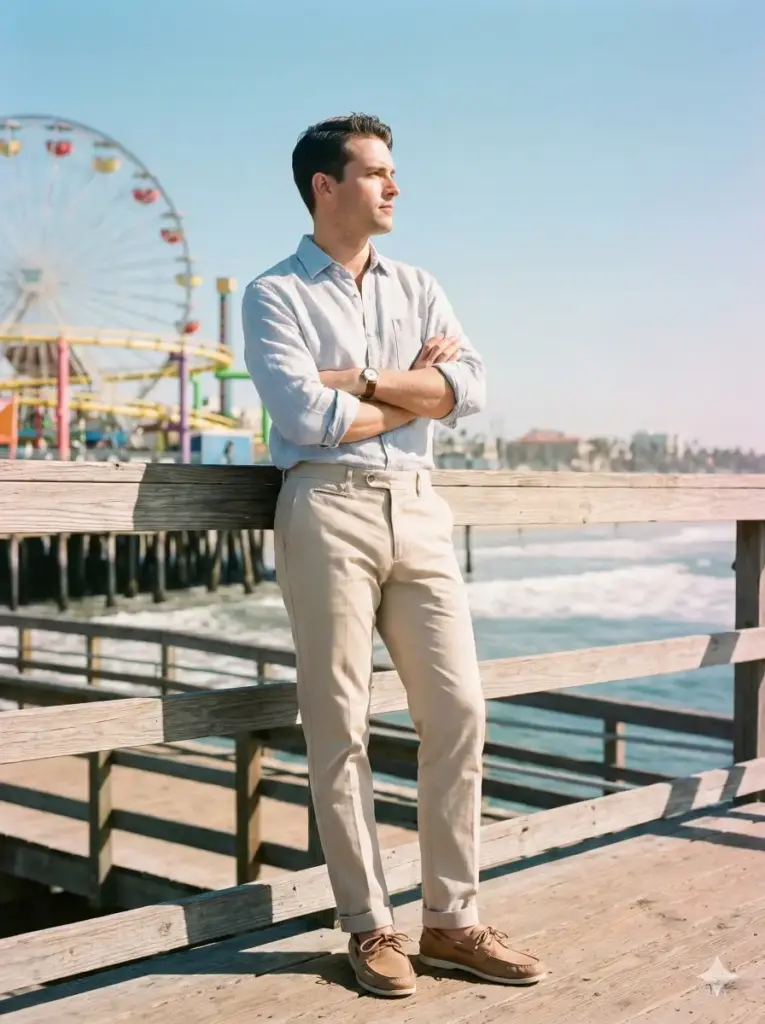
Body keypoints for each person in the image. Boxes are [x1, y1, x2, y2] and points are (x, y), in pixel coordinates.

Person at [242, 113, 546, 998]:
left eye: (392, 171)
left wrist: (362, 381)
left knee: (457, 710)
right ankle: (369, 926)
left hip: (417, 507)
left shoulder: (419, 284)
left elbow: (472, 389)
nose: (394, 187)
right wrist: (419, 390)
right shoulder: (273, 295)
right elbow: (305, 420)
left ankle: (452, 922)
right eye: (376, 172)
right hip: (325, 505)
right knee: (337, 725)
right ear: (324, 187)